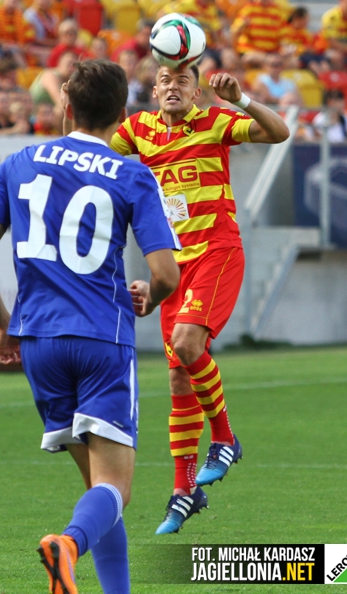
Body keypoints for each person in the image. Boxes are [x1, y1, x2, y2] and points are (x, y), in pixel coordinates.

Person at [0, 59, 181, 594]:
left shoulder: (18, 162)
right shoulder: (132, 174)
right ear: (122, 113)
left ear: (66, 104)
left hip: (39, 341)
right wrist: (150, 298)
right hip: (102, 338)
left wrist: (5, 323)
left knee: (97, 490)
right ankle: (68, 545)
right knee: (116, 489)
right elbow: (166, 274)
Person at [110, 63, 289, 534]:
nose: (173, 87)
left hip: (217, 251)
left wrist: (240, 99)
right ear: (153, 91)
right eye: (165, 81)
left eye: (183, 81)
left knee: (188, 345)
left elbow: (279, 132)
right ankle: (184, 490)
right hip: (173, 266)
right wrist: (73, 110)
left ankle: (226, 438)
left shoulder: (214, 120)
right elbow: (88, 153)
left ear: (196, 92)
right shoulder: (137, 130)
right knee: (177, 379)